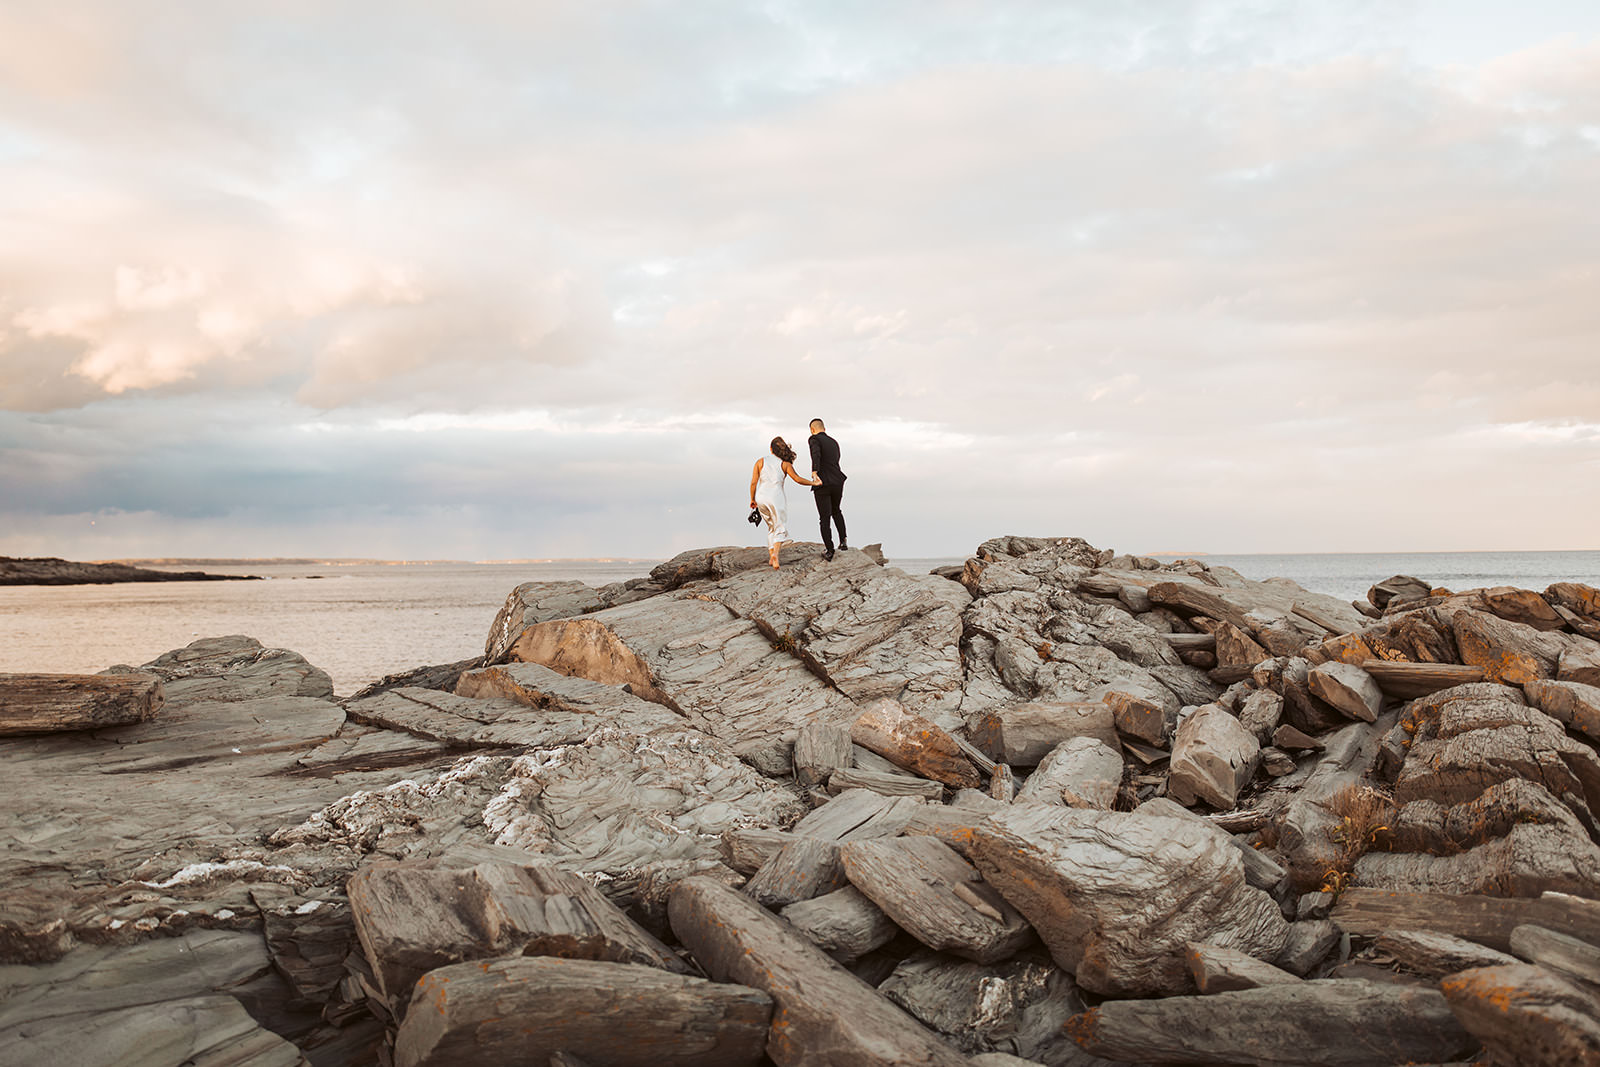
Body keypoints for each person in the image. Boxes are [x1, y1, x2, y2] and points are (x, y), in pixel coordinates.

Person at [750, 436, 819, 569]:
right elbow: (797, 479)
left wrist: (752, 499)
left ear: (771, 449)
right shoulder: (785, 464)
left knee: (771, 527)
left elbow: (753, 482)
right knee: (779, 526)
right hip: (775, 496)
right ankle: (775, 555)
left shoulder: (760, 462)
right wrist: (813, 483)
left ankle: (771, 556)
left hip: (761, 496)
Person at [807, 418, 847, 561]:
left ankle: (829, 550)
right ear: (824, 428)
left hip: (823, 482)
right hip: (838, 481)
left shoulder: (813, 439)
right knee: (836, 510)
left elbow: (815, 454)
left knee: (824, 517)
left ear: (812, 429)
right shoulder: (834, 442)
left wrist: (814, 471)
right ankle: (843, 541)